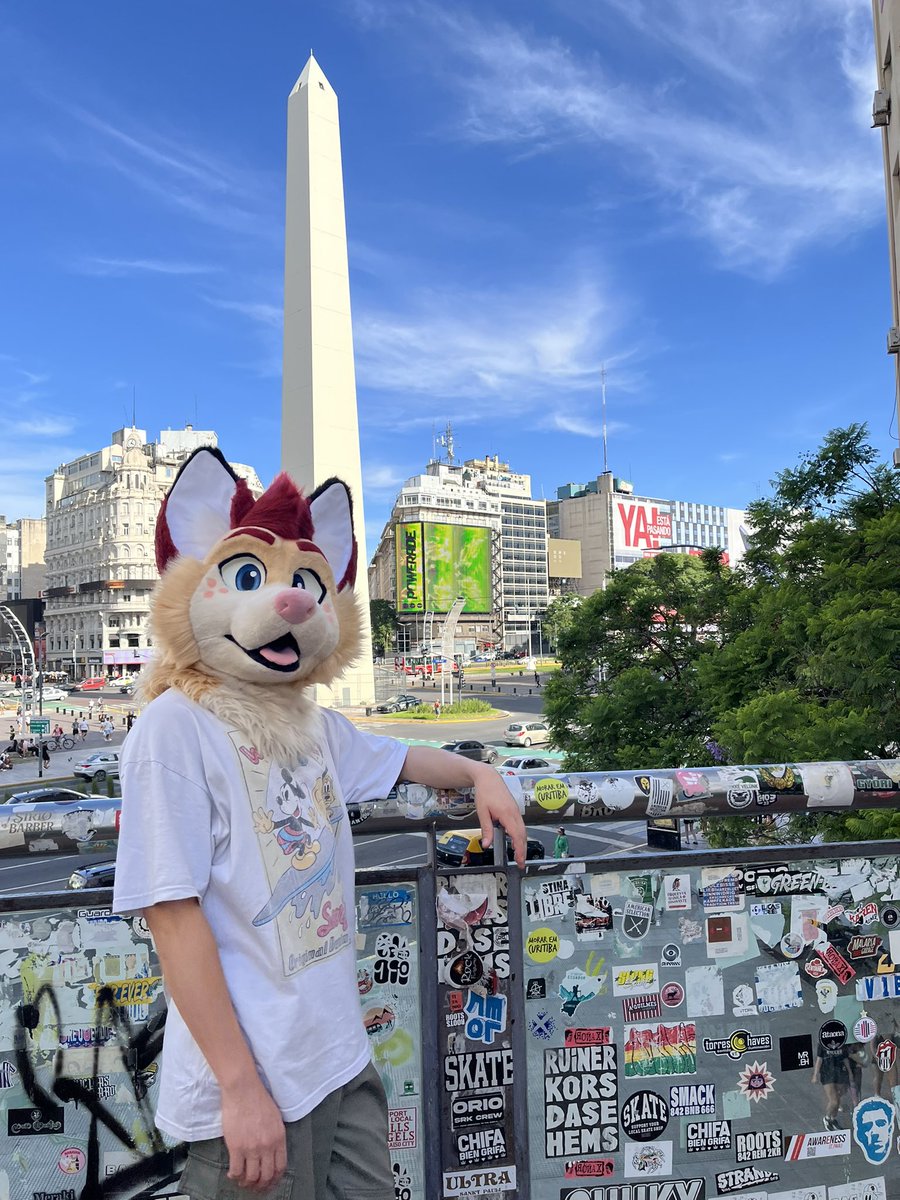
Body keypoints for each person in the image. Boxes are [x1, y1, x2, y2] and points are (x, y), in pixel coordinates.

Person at [111, 448, 525, 1200]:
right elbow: (171, 918)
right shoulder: (175, 730)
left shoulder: (307, 722)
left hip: (336, 1056)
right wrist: (239, 1091)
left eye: (305, 581)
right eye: (247, 578)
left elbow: (397, 757)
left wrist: (478, 773)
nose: (291, 603)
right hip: (251, 1082)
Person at [812, 1035, 854, 1130]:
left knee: (838, 1099)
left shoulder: (842, 1043)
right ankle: (827, 1118)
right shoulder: (823, 1044)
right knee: (834, 1100)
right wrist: (815, 1074)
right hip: (827, 1073)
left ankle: (833, 1119)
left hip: (839, 1071)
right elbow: (819, 1059)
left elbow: (845, 1058)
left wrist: (850, 1072)